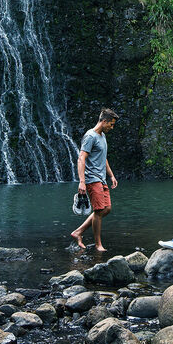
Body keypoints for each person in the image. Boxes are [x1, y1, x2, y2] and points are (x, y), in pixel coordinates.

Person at [70, 108, 119, 252]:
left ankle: (78, 232)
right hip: (92, 179)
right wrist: (82, 181)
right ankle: (98, 245)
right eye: (111, 124)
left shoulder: (102, 136)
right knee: (99, 211)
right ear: (104, 121)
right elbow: (81, 158)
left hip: (102, 178)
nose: (112, 127)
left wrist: (111, 175)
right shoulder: (90, 136)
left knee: (107, 209)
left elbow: (103, 158)